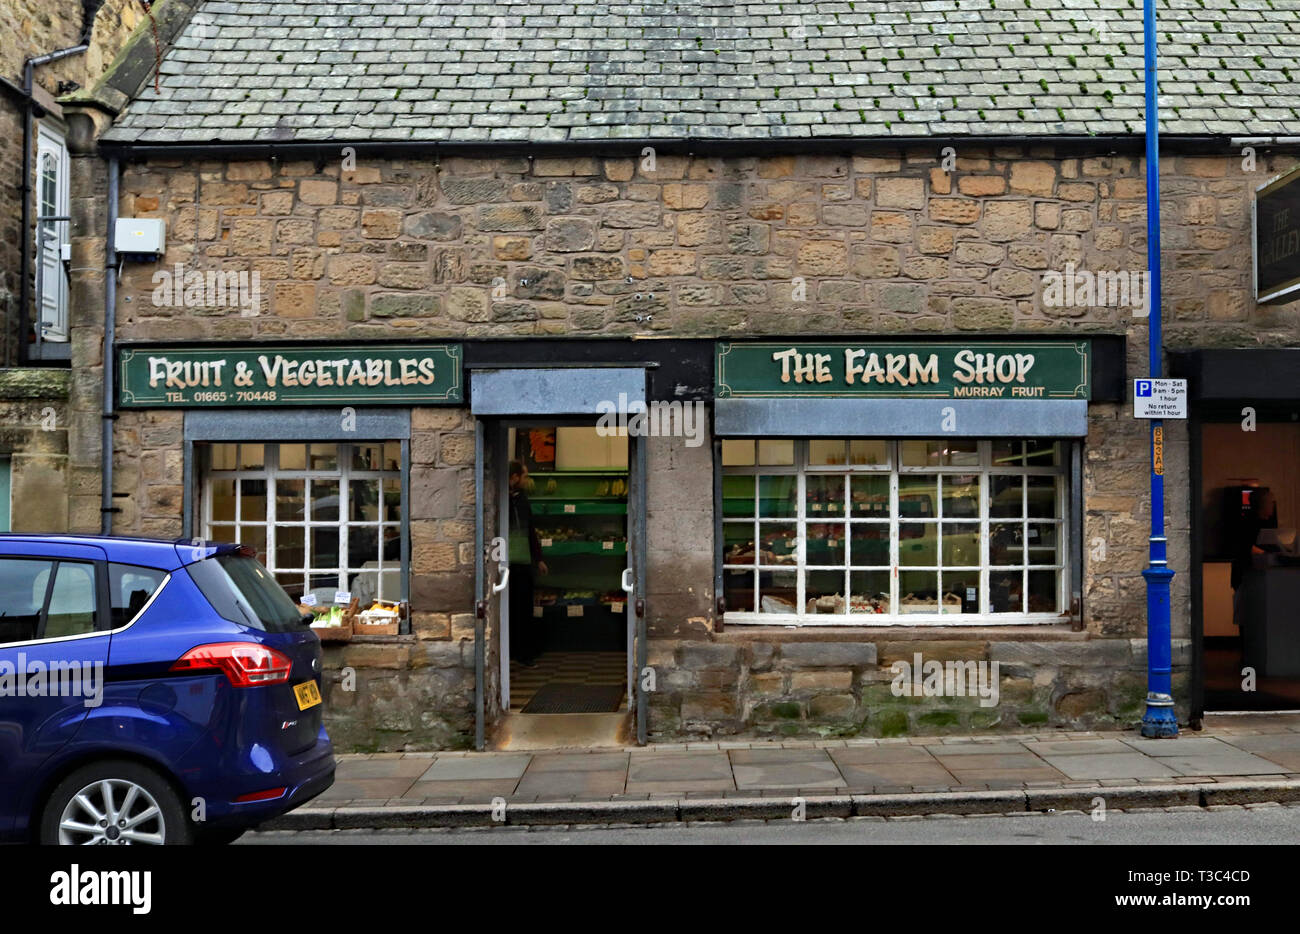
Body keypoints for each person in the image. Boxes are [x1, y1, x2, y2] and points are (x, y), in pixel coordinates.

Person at [508, 461, 548, 667]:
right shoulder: (500, 500)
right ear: (514, 477)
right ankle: (510, 652)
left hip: (524, 562)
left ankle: (524, 654)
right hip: (505, 565)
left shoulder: (523, 500)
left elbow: (531, 531)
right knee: (509, 609)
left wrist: (538, 558)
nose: (526, 480)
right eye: (524, 476)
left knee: (524, 609)